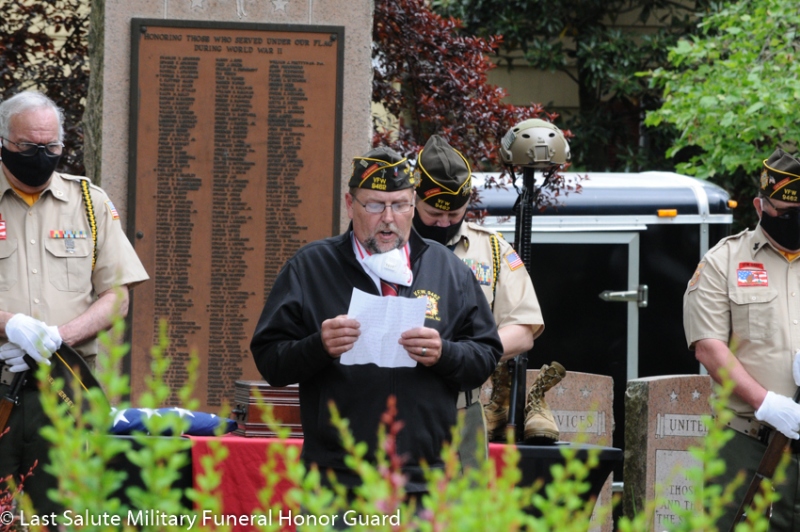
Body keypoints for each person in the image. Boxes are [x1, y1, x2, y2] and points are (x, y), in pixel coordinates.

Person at [250, 146, 502, 500]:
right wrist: (318, 346)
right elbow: (270, 360)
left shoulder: (447, 269)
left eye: (400, 205)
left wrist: (444, 353)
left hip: (426, 480)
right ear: (349, 203)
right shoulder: (311, 267)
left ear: (413, 205)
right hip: (336, 481)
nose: (388, 218)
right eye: (374, 205)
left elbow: (486, 355)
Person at [0, 91, 149, 515]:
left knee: (59, 512)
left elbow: (117, 296)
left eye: (50, 146)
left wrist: (55, 338)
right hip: (1, 385)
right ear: (4, 142)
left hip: (63, 387)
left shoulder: (89, 202)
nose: (40, 155)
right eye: (27, 146)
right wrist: (9, 325)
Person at [412, 134, 560, 444]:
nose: (444, 223)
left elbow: (522, 329)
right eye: (434, 214)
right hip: (400, 401)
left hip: (463, 407)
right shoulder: (389, 245)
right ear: (414, 199)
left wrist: (459, 355)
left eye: (454, 215)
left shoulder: (492, 250)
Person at [684, 148, 800, 531]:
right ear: (760, 206)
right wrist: (766, 403)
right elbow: (708, 347)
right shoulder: (724, 261)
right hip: (748, 441)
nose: (795, 220)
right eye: (786, 213)